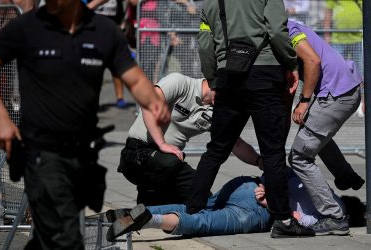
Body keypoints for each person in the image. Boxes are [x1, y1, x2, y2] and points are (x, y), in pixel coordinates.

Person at [0, 0, 168, 248]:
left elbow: (134, 78)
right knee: (64, 235)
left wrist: (153, 102)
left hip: (82, 155)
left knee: (51, 236)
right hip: (42, 153)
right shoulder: (28, 27)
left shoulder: (103, 31)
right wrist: (1, 118)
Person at [190, 0, 314, 238]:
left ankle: (193, 209)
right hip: (266, 75)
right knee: (273, 152)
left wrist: (213, 80)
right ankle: (283, 221)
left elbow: (205, 45)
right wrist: (291, 64)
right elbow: (277, 31)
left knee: (216, 149)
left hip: (229, 77)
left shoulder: (213, 2)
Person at [119, 72, 264, 206]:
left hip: (169, 163)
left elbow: (236, 144)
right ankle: (150, 198)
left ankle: (149, 207)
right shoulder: (180, 83)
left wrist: (259, 161)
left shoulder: (216, 111)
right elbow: (148, 104)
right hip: (138, 151)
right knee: (169, 162)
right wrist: (162, 143)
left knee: (201, 198)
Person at [106, 171, 349, 240]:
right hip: (258, 210)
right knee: (204, 222)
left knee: (192, 208)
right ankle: (150, 219)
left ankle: (126, 213)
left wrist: (267, 186)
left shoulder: (318, 183)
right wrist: (271, 200)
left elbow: (281, 171)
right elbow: (299, 220)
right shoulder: (334, 209)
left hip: (245, 184)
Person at [287, 20, 362, 236]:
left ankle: (334, 216)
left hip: (336, 94)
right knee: (315, 138)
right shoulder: (293, 25)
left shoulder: (287, 29)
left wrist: (304, 102)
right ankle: (345, 174)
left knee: (299, 157)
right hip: (347, 89)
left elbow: (312, 60)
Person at [323, 0, 363, 75]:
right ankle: (340, 86)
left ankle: (361, 86)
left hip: (358, 38)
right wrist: (327, 35)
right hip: (338, 39)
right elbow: (328, 13)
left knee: (360, 70)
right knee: (338, 69)